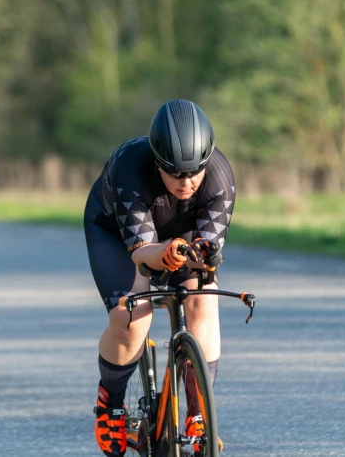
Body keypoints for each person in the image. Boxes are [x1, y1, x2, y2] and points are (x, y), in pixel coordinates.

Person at [83, 99, 235, 456]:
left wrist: (199, 254)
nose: (187, 182)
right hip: (117, 235)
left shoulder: (220, 178)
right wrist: (165, 253)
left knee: (202, 300)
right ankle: (111, 406)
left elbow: (207, 254)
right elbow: (142, 255)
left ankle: (199, 417)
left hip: (179, 235)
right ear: (157, 162)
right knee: (132, 318)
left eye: (195, 172)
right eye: (176, 173)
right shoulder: (130, 169)